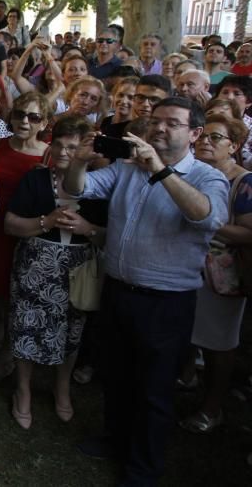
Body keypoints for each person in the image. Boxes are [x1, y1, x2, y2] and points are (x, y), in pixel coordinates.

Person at [65, 97, 229, 485]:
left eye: (173, 123)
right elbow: (79, 189)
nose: (160, 128)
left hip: (167, 302)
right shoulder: (126, 169)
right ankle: (115, 439)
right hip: (119, 289)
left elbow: (207, 216)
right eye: (155, 121)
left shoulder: (207, 177)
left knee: (154, 390)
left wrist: (160, 171)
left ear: (195, 133)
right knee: (117, 376)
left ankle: (143, 469)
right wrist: (79, 161)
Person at [5, 114, 106, 429]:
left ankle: (62, 389)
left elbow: (111, 236)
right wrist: (45, 222)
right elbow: (10, 224)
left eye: (73, 147)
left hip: (78, 270)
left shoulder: (99, 184)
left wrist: (89, 228)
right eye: (59, 145)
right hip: (36, 266)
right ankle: (23, 390)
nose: (64, 153)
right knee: (26, 327)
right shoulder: (35, 179)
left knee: (71, 332)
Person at [0, 92, 51, 382]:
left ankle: (9, 353)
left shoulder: (48, 155)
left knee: (16, 292)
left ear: (44, 122)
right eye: (19, 114)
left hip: (25, 233)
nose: (25, 121)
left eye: (33, 117)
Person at [180, 115, 251, 434]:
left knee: (219, 344)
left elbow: (248, 233)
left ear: (234, 146)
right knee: (187, 333)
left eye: (216, 138)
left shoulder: (245, 182)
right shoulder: (194, 174)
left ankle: (213, 407)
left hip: (223, 278)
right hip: (186, 267)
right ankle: (187, 379)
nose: (205, 141)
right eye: (203, 136)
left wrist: (204, 219)